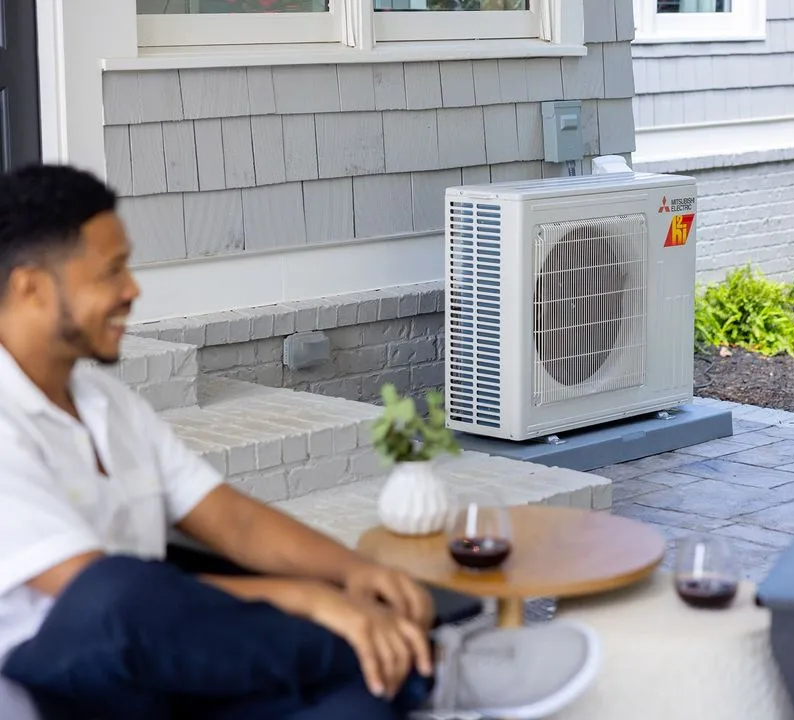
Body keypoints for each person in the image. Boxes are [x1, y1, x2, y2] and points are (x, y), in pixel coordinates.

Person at [0, 164, 601, 719]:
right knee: (115, 589)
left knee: (366, 697)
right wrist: (311, 601)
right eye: (111, 271)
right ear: (32, 288)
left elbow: (233, 522)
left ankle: (408, 675)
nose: (132, 289)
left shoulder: (108, 405)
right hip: (63, 685)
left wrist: (354, 573)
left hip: (181, 662)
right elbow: (98, 596)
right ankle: (439, 668)